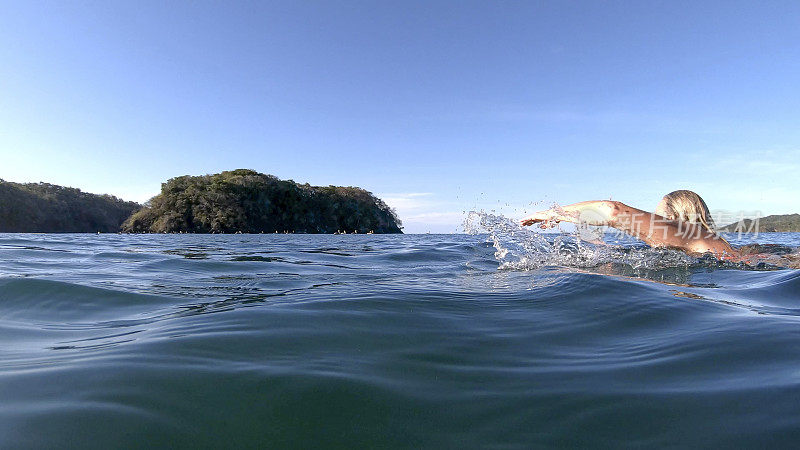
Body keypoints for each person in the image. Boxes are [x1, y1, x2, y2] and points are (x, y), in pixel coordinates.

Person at [520, 190, 737, 259]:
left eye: (660, 218)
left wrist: (552, 213)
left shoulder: (689, 233)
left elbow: (612, 210)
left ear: (678, 219)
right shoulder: (706, 242)